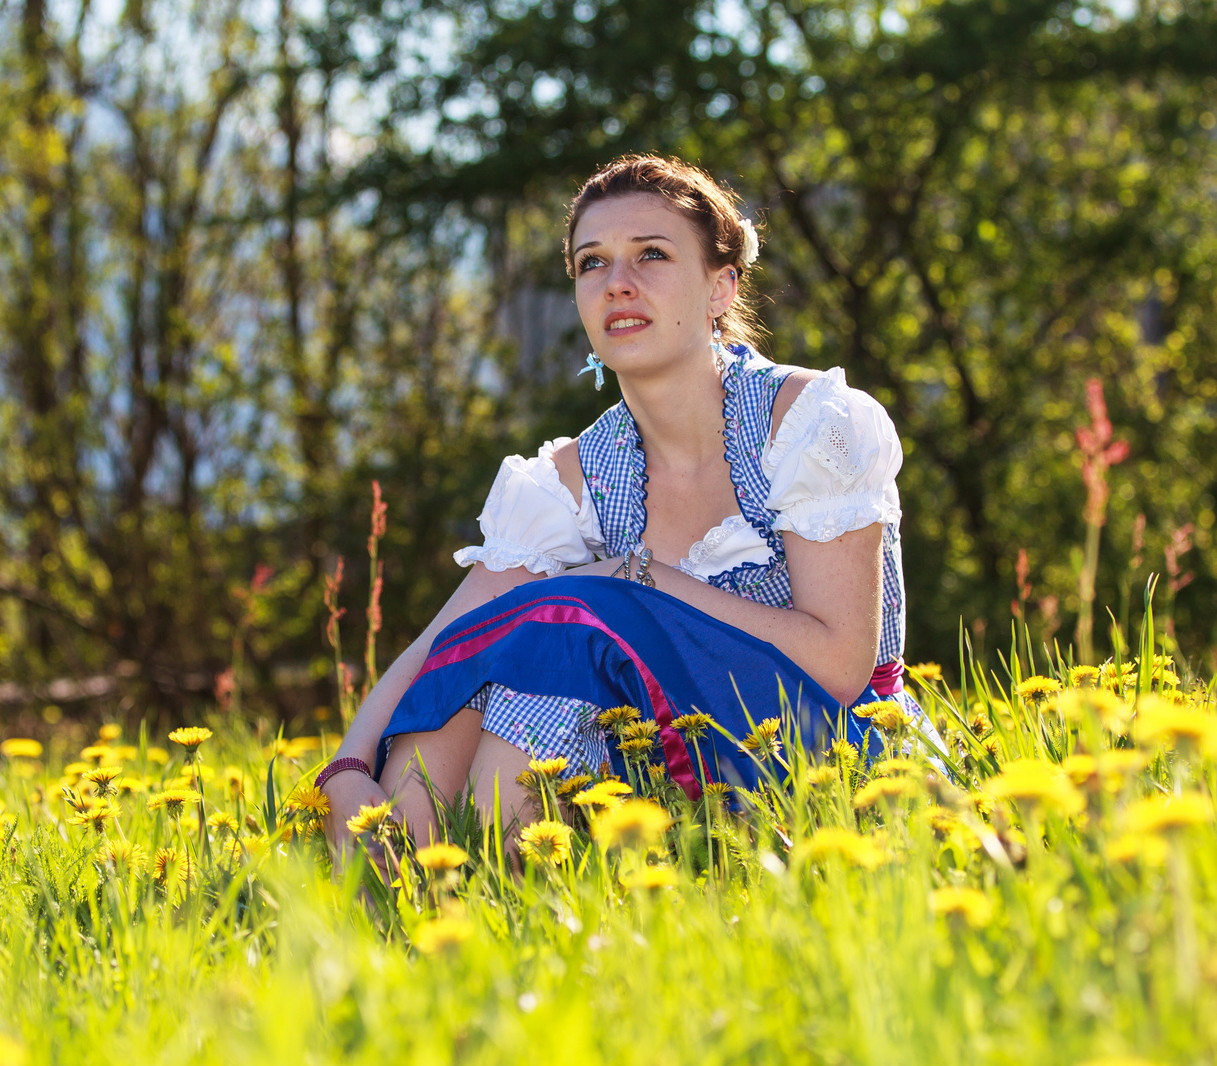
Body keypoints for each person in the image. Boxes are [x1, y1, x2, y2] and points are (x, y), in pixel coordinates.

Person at [317, 153, 917, 852]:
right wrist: (349, 764)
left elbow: (839, 670)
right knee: (522, 651)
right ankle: (424, 879)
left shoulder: (808, 423)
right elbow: (450, 639)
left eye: (651, 256)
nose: (618, 285)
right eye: (592, 263)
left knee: (572, 623)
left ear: (720, 287)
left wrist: (639, 581)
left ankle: (502, 891)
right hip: (665, 768)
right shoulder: (577, 474)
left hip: (837, 765)